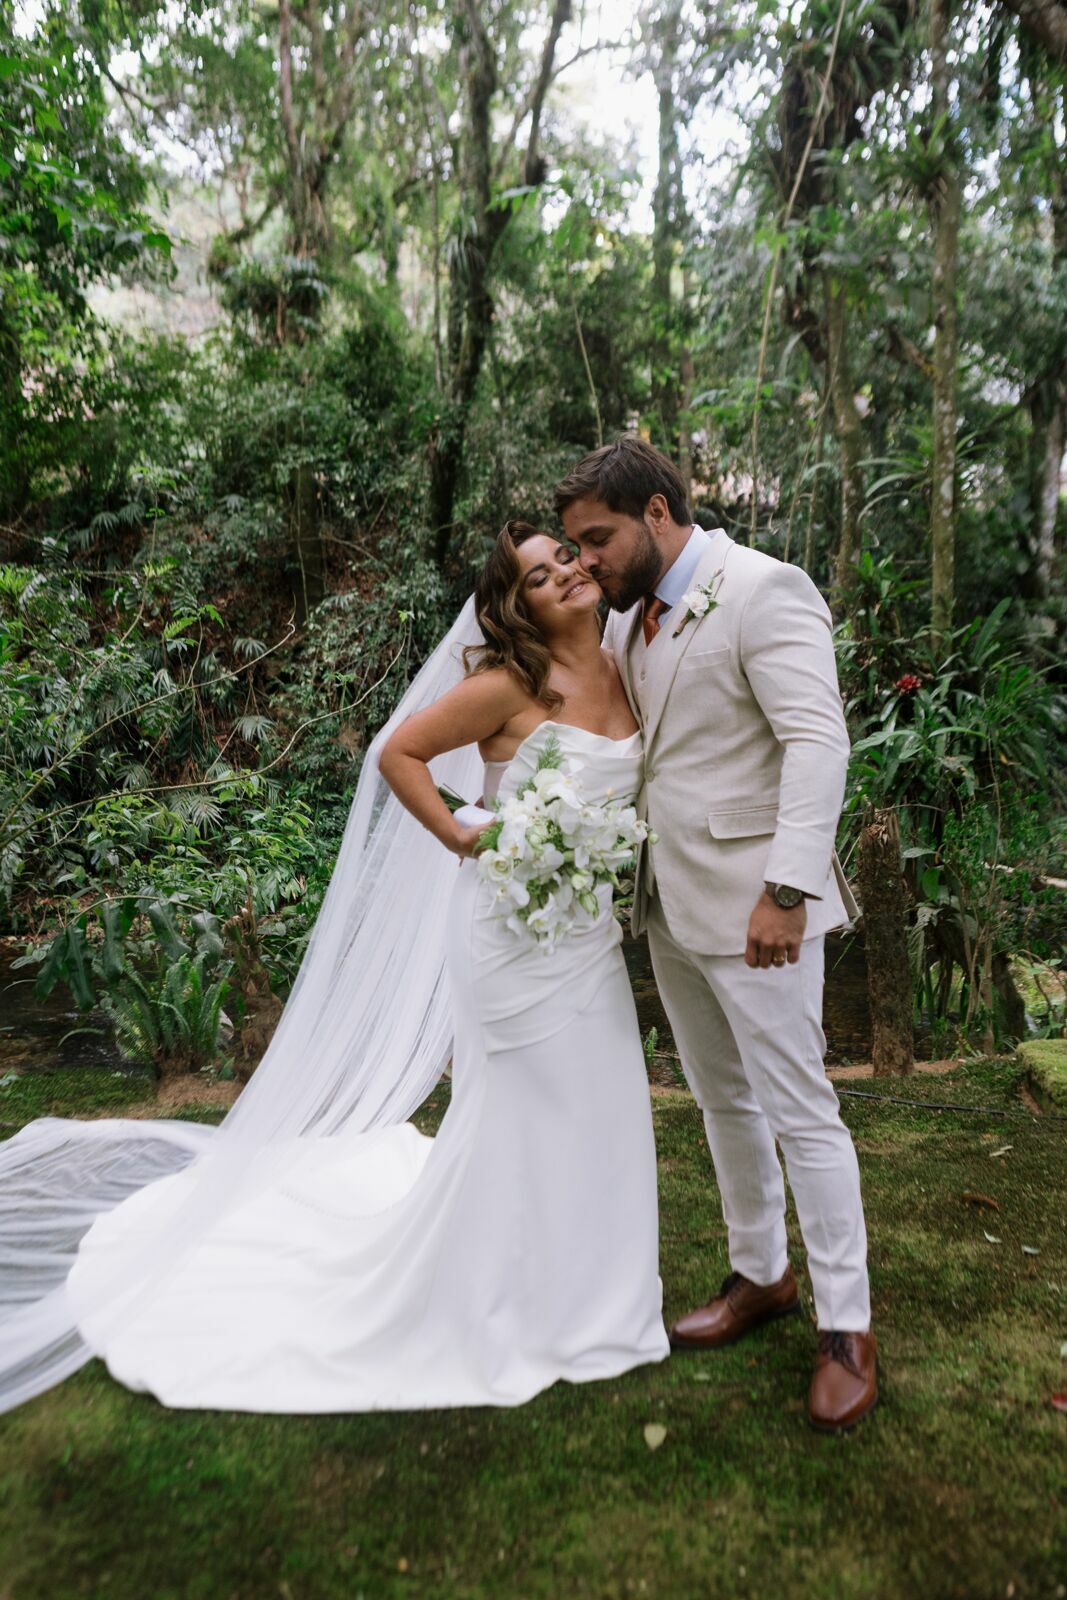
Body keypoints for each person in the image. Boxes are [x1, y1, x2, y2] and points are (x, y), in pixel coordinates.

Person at [15, 521, 669, 1413]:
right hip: (509, 939)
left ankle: (599, 1293)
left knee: (602, 1102)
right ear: (518, 605)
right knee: (522, 1109)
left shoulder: (630, 657)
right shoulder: (507, 685)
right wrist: (456, 832)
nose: (563, 572)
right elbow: (395, 752)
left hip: (585, 936)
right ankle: (507, 1303)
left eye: (566, 557)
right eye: (540, 572)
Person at [556, 436, 877, 1433]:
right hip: (666, 905)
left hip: (757, 912)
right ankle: (759, 1273)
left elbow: (816, 741)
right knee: (719, 1101)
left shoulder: (761, 588)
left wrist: (785, 890)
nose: (586, 562)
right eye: (574, 547)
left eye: (596, 539)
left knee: (799, 1107)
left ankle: (847, 1329)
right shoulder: (625, 624)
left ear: (657, 513)